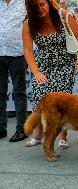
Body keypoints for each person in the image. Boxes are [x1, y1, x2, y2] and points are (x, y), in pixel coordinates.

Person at [23, 0, 78, 148]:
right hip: (42, 66)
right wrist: (36, 72)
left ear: (49, 2)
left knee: (61, 103)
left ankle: (63, 137)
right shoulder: (29, 23)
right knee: (41, 100)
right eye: (35, 7)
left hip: (65, 65)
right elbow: (28, 50)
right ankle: (38, 134)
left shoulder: (63, 15)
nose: (40, 9)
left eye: (42, 4)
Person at [0, 0, 27, 142]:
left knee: (19, 92)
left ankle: (22, 129)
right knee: (0, 92)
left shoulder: (24, 2)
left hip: (18, 53)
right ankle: (1, 128)